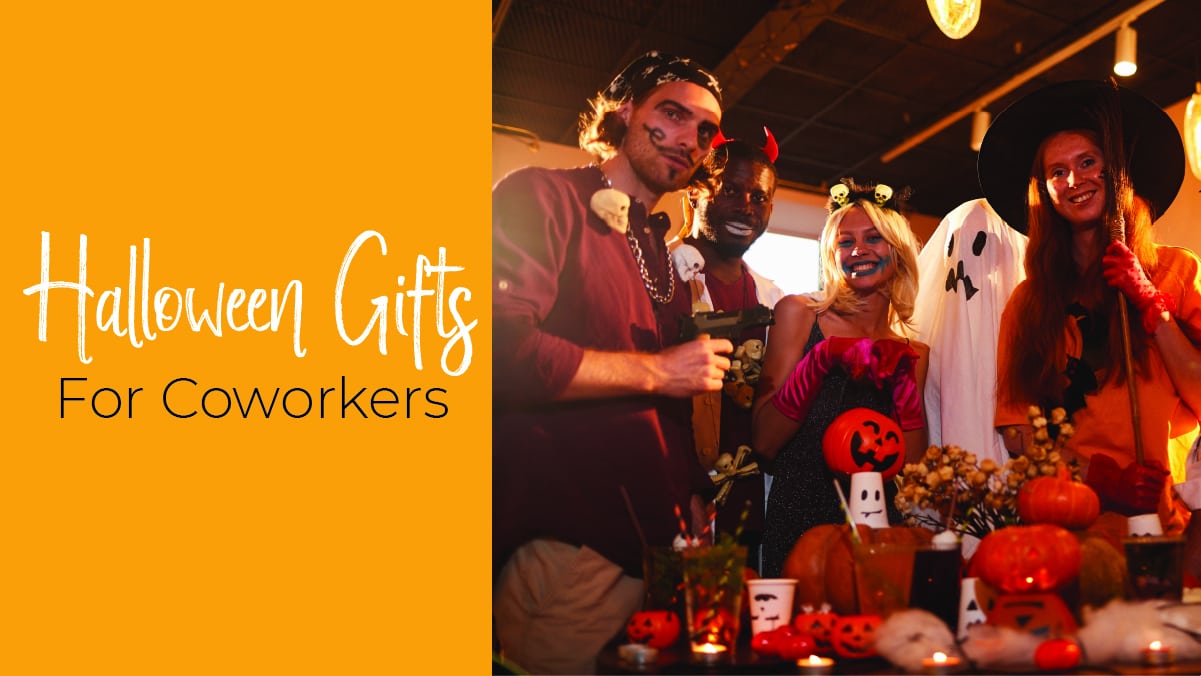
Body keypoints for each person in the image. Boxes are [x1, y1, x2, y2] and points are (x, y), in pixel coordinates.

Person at [492, 51, 732, 674]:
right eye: (673, 113)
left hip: (651, 555)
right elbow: (501, 350)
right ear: (625, 111)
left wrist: (694, 495)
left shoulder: (658, 248)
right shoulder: (543, 196)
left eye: (705, 131)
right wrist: (660, 371)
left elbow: (664, 407)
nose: (690, 139)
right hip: (567, 542)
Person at [980, 79, 1199, 533]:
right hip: (1064, 525)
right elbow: (1018, 431)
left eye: (1087, 162)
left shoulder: (1178, 271)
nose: (1074, 180)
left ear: (1116, 171)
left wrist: (1153, 307)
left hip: (1161, 526)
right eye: (1057, 172)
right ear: (1044, 188)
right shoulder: (1028, 304)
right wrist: (1101, 478)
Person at [751, 179, 929, 578]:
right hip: (800, 522)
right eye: (845, 242)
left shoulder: (914, 352)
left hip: (880, 529)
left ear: (897, 252)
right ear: (832, 254)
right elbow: (764, 443)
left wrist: (903, 384)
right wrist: (818, 361)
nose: (859, 250)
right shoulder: (798, 313)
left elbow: (914, 472)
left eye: (873, 238)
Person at [671, 131, 785, 571]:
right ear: (695, 193)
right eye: (731, 190)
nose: (746, 208)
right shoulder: (663, 280)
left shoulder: (772, 299)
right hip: (671, 511)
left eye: (759, 197)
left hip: (747, 514)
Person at [913, 198, 1028, 467]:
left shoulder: (1022, 320)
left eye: (980, 244)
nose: (967, 258)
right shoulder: (929, 332)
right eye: (955, 244)